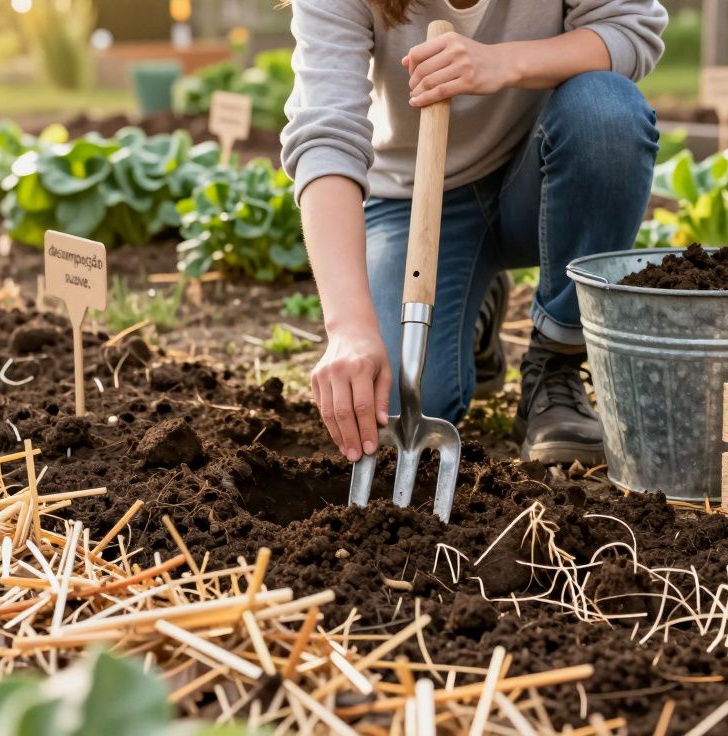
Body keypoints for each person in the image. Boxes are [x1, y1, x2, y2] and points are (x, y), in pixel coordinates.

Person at [281, 0, 666, 466]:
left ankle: (555, 365)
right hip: (415, 201)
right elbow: (326, 138)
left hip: (539, 178)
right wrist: (349, 330)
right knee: (397, 400)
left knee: (608, 114)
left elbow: (630, 29)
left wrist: (504, 62)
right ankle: (475, 306)